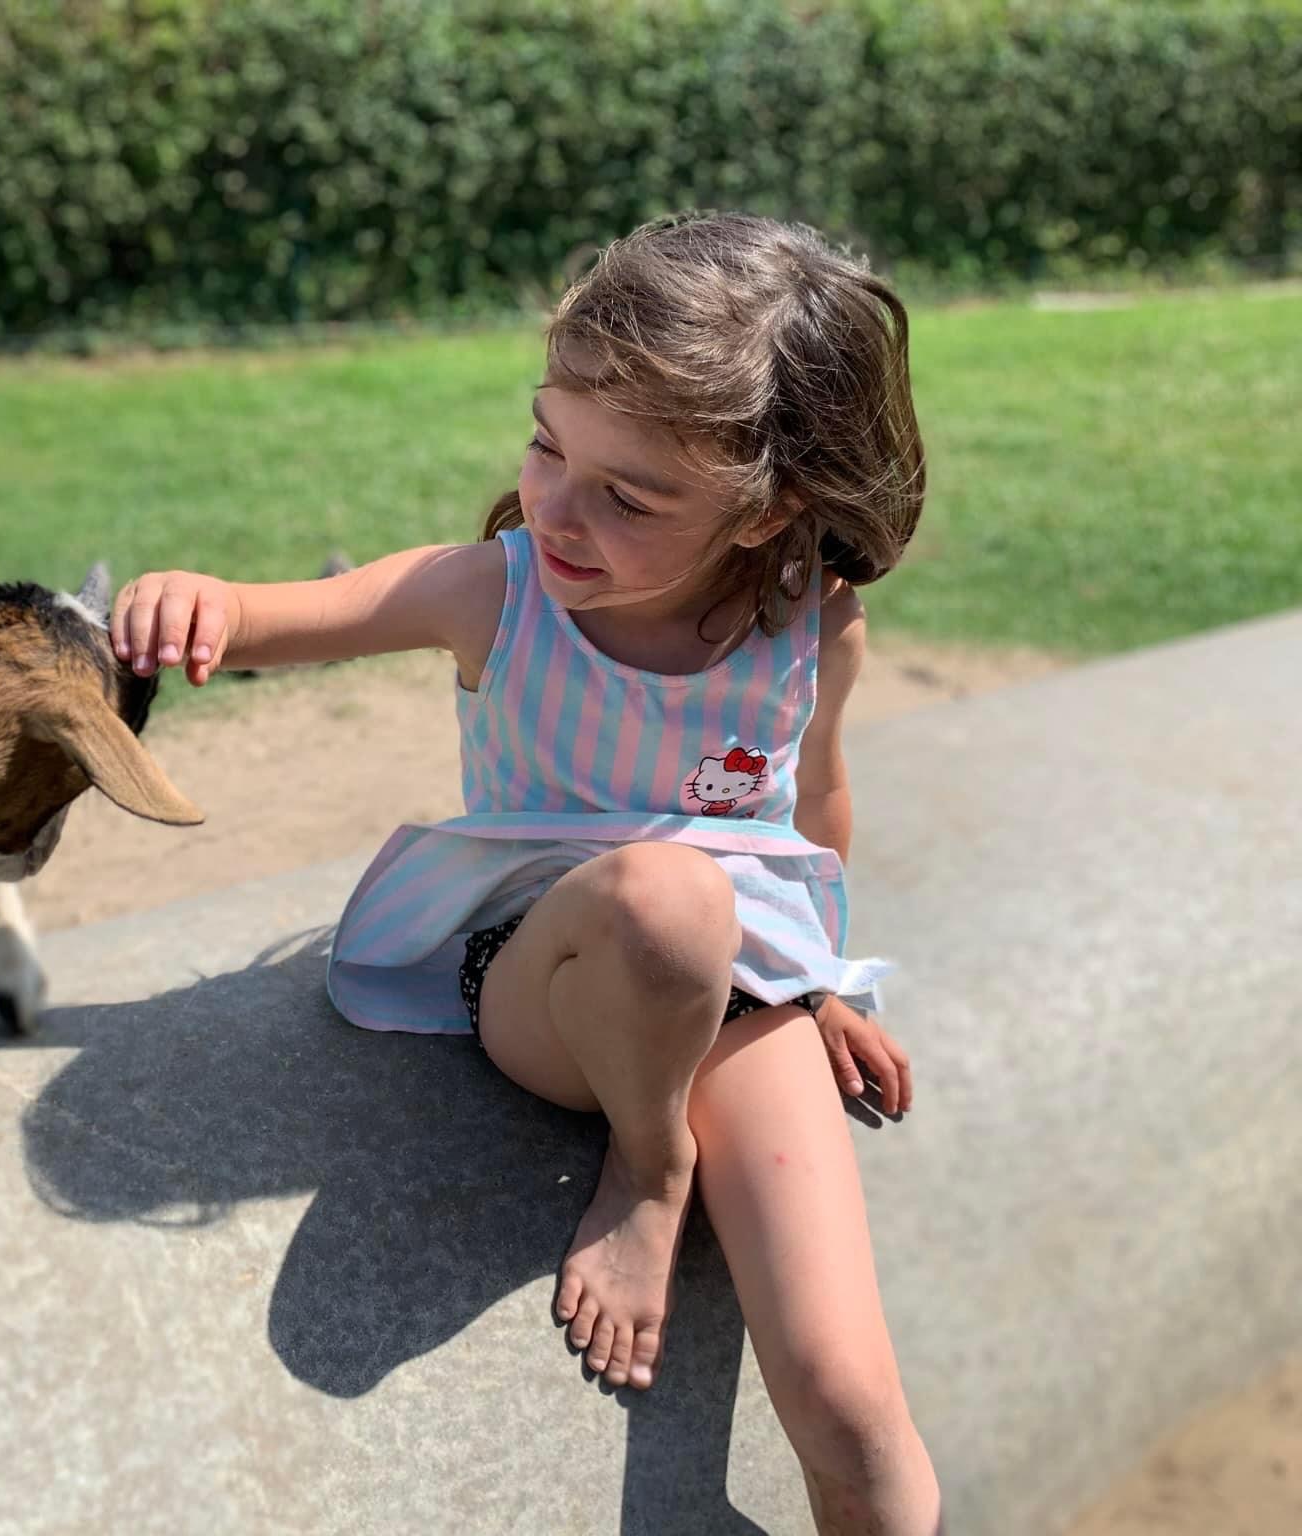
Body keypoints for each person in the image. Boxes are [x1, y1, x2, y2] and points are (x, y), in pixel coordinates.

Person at [114, 212, 940, 1532]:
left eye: (629, 497)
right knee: (664, 898)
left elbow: (811, 801)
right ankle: (651, 1166)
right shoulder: (493, 594)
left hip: (739, 982)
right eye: (549, 445)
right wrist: (191, 602)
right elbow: (271, 620)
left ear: (768, 509)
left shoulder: (814, 621)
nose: (556, 506)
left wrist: (822, 982)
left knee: (851, 1412)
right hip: (543, 969)